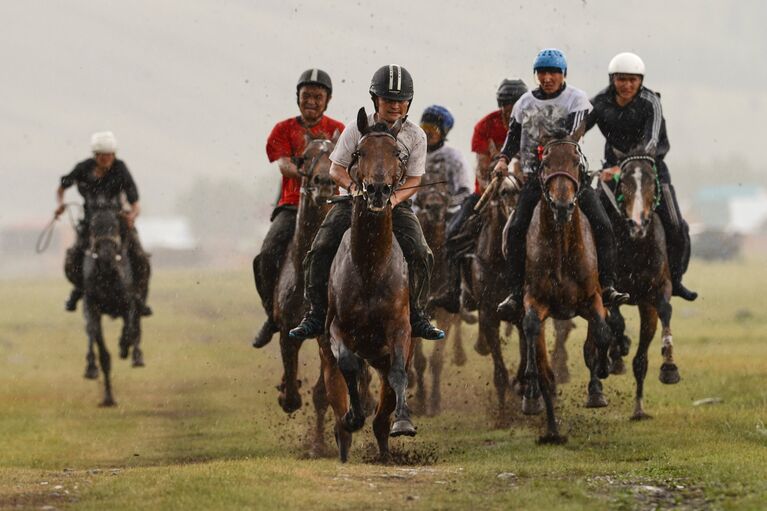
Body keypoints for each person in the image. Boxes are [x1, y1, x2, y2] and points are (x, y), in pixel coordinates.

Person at [289, 64, 445, 341]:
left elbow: (414, 178)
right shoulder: (355, 129)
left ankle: (418, 314)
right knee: (319, 248)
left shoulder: (416, 135)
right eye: (388, 100)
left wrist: (394, 200)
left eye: (401, 101)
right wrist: (352, 189)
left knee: (422, 253)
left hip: (394, 204)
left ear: (409, 102)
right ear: (376, 100)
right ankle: (315, 314)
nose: (395, 106)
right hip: (354, 202)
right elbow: (336, 168)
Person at [495, 49, 630, 318]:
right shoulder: (523, 103)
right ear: (536, 75)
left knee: (603, 224)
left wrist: (555, 146)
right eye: (542, 72)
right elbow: (513, 136)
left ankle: (608, 285)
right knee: (516, 228)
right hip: (536, 178)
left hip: (571, 176)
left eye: (553, 72)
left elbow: (572, 134)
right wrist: (502, 159)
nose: (547, 78)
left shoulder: (576, 100)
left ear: (563, 74)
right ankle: (514, 293)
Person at [586, 52, 697, 301]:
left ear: (641, 81)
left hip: (652, 171)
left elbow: (651, 142)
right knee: (593, 223)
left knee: (677, 226)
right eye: (621, 79)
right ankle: (598, 283)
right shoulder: (599, 102)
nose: (627, 85)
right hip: (612, 172)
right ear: (612, 79)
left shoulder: (651, 102)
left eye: (633, 80)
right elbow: (578, 128)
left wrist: (624, 167)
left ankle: (675, 280)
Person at [251, 69, 345, 348]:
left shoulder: (339, 130)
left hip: (332, 206)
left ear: (327, 100)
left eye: (318, 97)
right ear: (298, 98)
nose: (312, 102)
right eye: (307, 96)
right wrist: (308, 174)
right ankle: (273, 315)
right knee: (267, 254)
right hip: (294, 206)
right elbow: (282, 164)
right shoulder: (283, 130)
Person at [430, 79, 528, 313]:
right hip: (486, 193)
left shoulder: (533, 126)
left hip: (523, 193)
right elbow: (483, 168)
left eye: (516, 103)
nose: (511, 108)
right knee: (452, 233)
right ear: (500, 104)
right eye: (506, 103)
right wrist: (492, 190)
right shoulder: (485, 126)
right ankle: (455, 292)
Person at [56, 131, 152, 315]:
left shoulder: (121, 168)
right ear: (95, 155)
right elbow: (62, 187)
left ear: (114, 154)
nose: (106, 159)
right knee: (74, 257)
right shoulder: (83, 168)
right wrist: (60, 205)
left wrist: (132, 216)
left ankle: (138, 297)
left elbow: (135, 203)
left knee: (140, 257)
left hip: (118, 223)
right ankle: (79, 290)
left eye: (110, 155)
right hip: (90, 224)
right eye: (102, 155)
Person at [418, 104, 473, 207]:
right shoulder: (412, 155)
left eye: (433, 129)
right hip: (417, 212)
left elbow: (465, 191)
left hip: (448, 214)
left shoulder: (454, 157)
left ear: (444, 133)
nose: (427, 133)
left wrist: (447, 203)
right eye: (424, 127)